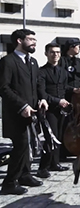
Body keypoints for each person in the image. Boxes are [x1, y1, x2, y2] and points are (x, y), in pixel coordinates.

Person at [0, 29, 48, 195]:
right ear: (19, 41)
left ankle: (25, 175)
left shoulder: (33, 62)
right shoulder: (8, 61)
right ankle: (9, 183)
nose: (34, 42)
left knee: (31, 145)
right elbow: (4, 88)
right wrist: (22, 106)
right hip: (16, 113)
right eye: (30, 39)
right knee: (20, 147)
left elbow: (37, 84)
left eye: (35, 39)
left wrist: (42, 98)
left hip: (33, 113)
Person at [36, 43, 78, 179]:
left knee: (59, 137)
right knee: (50, 138)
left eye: (58, 52)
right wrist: (57, 101)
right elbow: (42, 93)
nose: (55, 55)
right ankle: (42, 168)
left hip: (62, 109)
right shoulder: (41, 72)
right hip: (49, 109)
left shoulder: (63, 71)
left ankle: (55, 163)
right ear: (46, 54)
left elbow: (64, 87)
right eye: (52, 52)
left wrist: (74, 90)